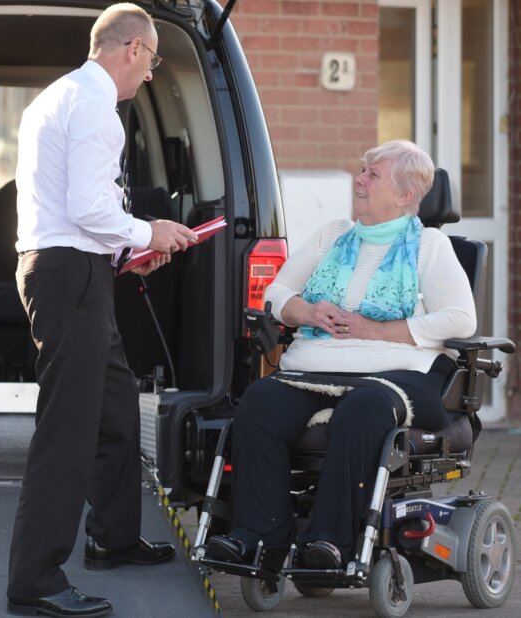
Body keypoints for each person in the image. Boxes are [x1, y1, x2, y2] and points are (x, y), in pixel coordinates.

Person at [204, 140, 477, 573]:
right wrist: (307, 311)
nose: (361, 179)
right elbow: (276, 293)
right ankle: (259, 539)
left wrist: (382, 331)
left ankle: (330, 542)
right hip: (315, 364)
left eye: (373, 174)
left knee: (362, 409)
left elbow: (462, 319)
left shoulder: (429, 247)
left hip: (394, 373)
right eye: (362, 170)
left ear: (405, 195)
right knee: (258, 403)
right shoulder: (333, 235)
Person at [6, 4, 198, 617]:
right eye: (151, 62)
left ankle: (112, 537)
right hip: (69, 275)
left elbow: (77, 212)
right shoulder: (94, 106)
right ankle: (34, 580)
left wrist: (123, 250)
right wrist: (151, 232)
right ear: (133, 49)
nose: (148, 77)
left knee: (115, 404)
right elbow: (90, 207)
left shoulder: (57, 98)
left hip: (71, 267)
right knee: (69, 428)